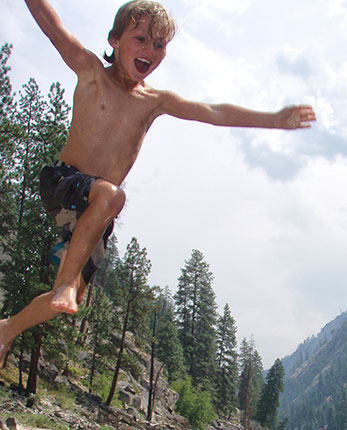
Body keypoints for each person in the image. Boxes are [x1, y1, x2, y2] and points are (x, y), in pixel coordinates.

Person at [0, 0, 316, 365]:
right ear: (114, 40)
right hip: (64, 182)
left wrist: (273, 120)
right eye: (141, 39)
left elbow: (213, 112)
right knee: (110, 198)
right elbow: (52, 27)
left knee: (64, 300)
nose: (150, 51)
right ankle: (67, 284)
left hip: (95, 213)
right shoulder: (91, 72)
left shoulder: (154, 102)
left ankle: (8, 327)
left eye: (159, 45)